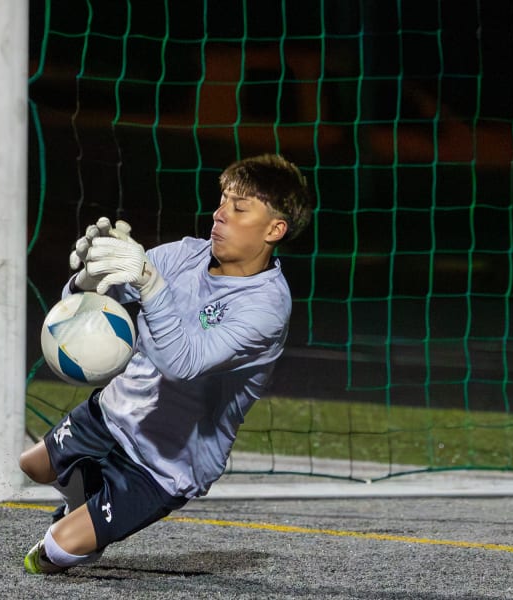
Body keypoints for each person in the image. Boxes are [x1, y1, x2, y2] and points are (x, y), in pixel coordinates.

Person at [18, 153, 313, 574]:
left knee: (53, 553)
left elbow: (182, 363)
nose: (219, 214)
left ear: (274, 229)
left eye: (239, 208)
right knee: (31, 465)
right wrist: (87, 279)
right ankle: (84, 496)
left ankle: (84, 521)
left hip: (165, 463)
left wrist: (151, 284)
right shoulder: (186, 254)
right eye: (222, 201)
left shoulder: (265, 307)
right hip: (116, 412)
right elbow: (100, 301)